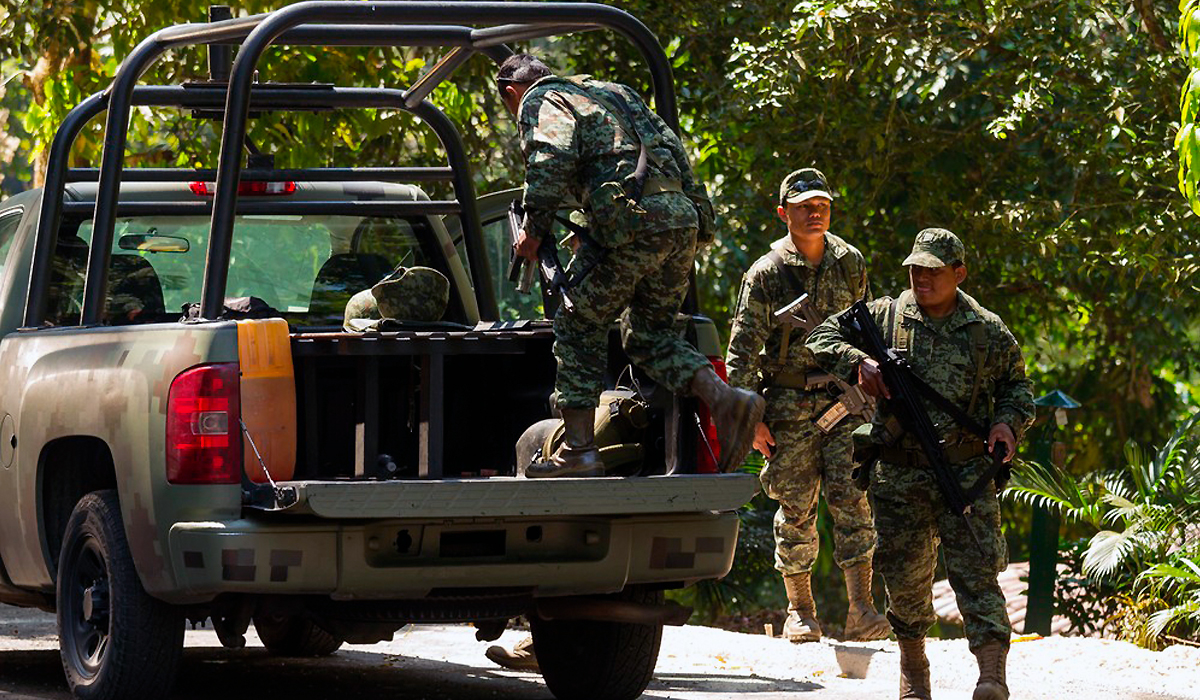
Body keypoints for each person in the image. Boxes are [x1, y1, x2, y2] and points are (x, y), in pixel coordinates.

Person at [498, 53, 764, 478]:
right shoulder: (612, 92)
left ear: (512, 94)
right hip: (680, 222)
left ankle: (579, 451)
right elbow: (672, 151)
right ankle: (727, 400)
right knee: (648, 334)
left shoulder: (540, 99)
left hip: (635, 224)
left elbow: (551, 157)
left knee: (577, 321)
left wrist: (532, 230)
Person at [806, 228, 1034, 700]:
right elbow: (819, 336)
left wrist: (1007, 425)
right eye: (915, 268)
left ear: (958, 273)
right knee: (905, 578)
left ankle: (992, 675)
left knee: (977, 573)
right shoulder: (887, 316)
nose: (920, 277)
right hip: (900, 472)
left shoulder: (985, 329)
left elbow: (1018, 387)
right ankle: (914, 669)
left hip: (966, 474)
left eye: (932, 270)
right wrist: (858, 362)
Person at [724, 168, 889, 643]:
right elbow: (741, 354)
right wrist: (750, 420)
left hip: (846, 401)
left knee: (854, 500)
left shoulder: (850, 262)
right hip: (788, 407)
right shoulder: (766, 273)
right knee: (795, 507)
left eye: (822, 205)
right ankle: (801, 613)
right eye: (803, 207)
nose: (815, 213)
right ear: (783, 214)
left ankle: (862, 610)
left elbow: (869, 330)